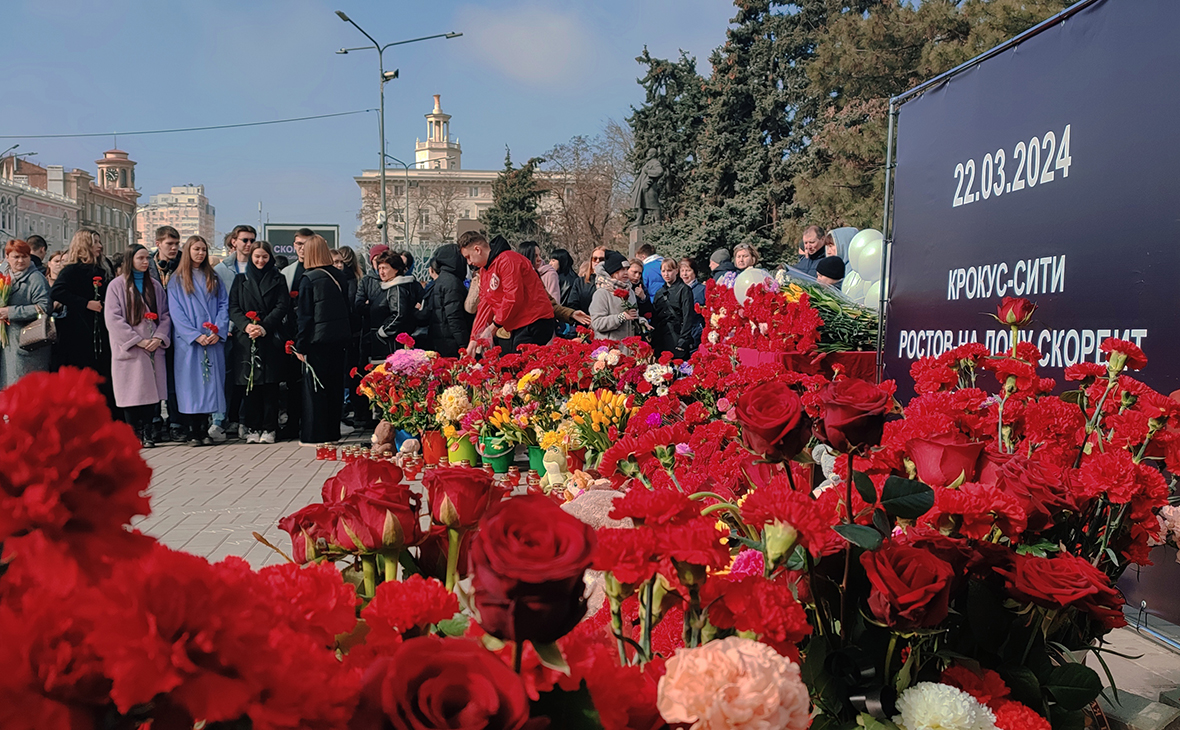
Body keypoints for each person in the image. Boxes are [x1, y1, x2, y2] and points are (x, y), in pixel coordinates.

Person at [104, 244, 170, 447]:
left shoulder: (155, 286)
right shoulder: (117, 285)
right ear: (129, 260)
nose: (144, 262)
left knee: (152, 393)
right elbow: (113, 318)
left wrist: (159, 337)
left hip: (152, 346)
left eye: (146, 259)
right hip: (131, 348)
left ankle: (149, 431)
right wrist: (136, 340)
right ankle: (133, 433)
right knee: (131, 392)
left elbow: (165, 315)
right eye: (140, 258)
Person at [167, 236, 229, 447]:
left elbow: (223, 306)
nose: (200, 253)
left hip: (211, 339)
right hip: (190, 343)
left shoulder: (213, 277)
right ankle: (193, 431)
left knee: (209, 384)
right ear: (188, 251)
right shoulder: (177, 280)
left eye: (203, 249)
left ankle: (204, 429)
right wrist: (194, 335)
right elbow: (176, 312)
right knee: (191, 385)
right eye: (196, 249)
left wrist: (217, 330)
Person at [229, 241, 291, 444]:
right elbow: (233, 307)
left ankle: (269, 428)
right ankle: (252, 427)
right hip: (246, 338)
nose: (260, 260)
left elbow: (282, 306)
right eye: (257, 256)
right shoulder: (240, 279)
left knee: (270, 386)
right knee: (250, 384)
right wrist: (247, 326)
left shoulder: (278, 278)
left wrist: (264, 326)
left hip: (269, 336)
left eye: (264, 256)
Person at [295, 235, 351, 445]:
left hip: (316, 341)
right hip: (338, 339)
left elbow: (305, 317)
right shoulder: (339, 276)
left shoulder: (309, 279)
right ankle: (332, 433)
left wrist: (300, 344)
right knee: (334, 387)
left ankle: (314, 435)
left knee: (314, 390)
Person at [461, 232, 556, 356]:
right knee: (513, 363)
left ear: (477, 250)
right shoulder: (485, 271)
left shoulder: (508, 260)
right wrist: (474, 339)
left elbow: (513, 297)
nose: (469, 263)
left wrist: (494, 326)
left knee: (519, 363)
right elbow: (485, 304)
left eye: (468, 257)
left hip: (535, 320)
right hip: (519, 323)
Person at [51, 229, 113, 408]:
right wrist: (85, 303)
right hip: (77, 329)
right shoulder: (71, 270)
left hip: (101, 327)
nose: (100, 246)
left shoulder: (104, 267)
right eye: (95, 242)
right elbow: (57, 291)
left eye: (99, 242)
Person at [211, 225, 257, 440]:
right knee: (226, 378)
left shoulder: (258, 265)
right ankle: (222, 420)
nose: (248, 244)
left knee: (247, 377)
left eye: (251, 240)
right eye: (244, 240)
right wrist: (224, 327)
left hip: (252, 330)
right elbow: (218, 303)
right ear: (234, 242)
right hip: (228, 331)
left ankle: (243, 420)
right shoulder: (221, 270)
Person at [0, 239, 52, 388]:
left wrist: (10, 312)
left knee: (23, 389)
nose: (21, 261)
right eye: (16, 257)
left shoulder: (35, 278)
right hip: (8, 344)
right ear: (7, 257)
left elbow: (44, 307)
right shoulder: (5, 277)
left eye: (25, 256)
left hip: (28, 343)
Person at [355, 251, 419, 361]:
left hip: (390, 345)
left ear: (396, 269)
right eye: (379, 269)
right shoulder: (389, 287)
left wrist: (383, 332)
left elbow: (399, 314)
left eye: (384, 268)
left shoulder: (396, 288)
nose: (381, 272)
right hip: (384, 344)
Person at [421, 243, 473, 358]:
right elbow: (454, 316)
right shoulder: (452, 283)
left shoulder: (442, 279)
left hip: (441, 338)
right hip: (450, 342)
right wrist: (464, 345)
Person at [589, 250, 640, 342]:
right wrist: (621, 317)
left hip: (628, 349)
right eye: (622, 269)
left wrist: (641, 322)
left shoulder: (630, 291)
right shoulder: (602, 293)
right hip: (609, 348)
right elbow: (596, 323)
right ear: (613, 271)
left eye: (627, 269)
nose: (625, 273)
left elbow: (632, 316)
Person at [650, 257, 696, 358]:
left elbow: (688, 316)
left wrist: (683, 340)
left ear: (676, 271)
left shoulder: (684, 290)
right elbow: (655, 317)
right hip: (661, 337)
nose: (666, 274)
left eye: (669, 271)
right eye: (663, 271)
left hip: (677, 335)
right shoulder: (659, 293)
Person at [680, 257, 706, 353]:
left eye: (688, 270)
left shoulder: (702, 290)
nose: (684, 274)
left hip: (696, 334)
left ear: (694, 272)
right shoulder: (677, 290)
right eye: (682, 271)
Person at [282, 227, 315, 292]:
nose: (303, 248)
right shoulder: (286, 272)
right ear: (294, 245)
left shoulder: (321, 271)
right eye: (299, 244)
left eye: (307, 244)